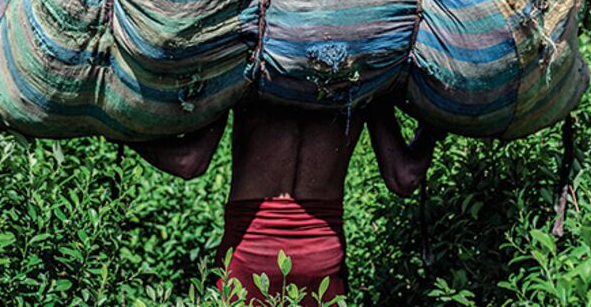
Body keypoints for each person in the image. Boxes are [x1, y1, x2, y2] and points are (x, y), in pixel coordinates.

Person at [129, 97, 444, 306]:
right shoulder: (362, 82)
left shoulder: (248, 73)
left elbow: (189, 162)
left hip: (247, 259)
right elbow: (405, 176)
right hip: (321, 263)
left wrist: (123, 134)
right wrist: (430, 129)